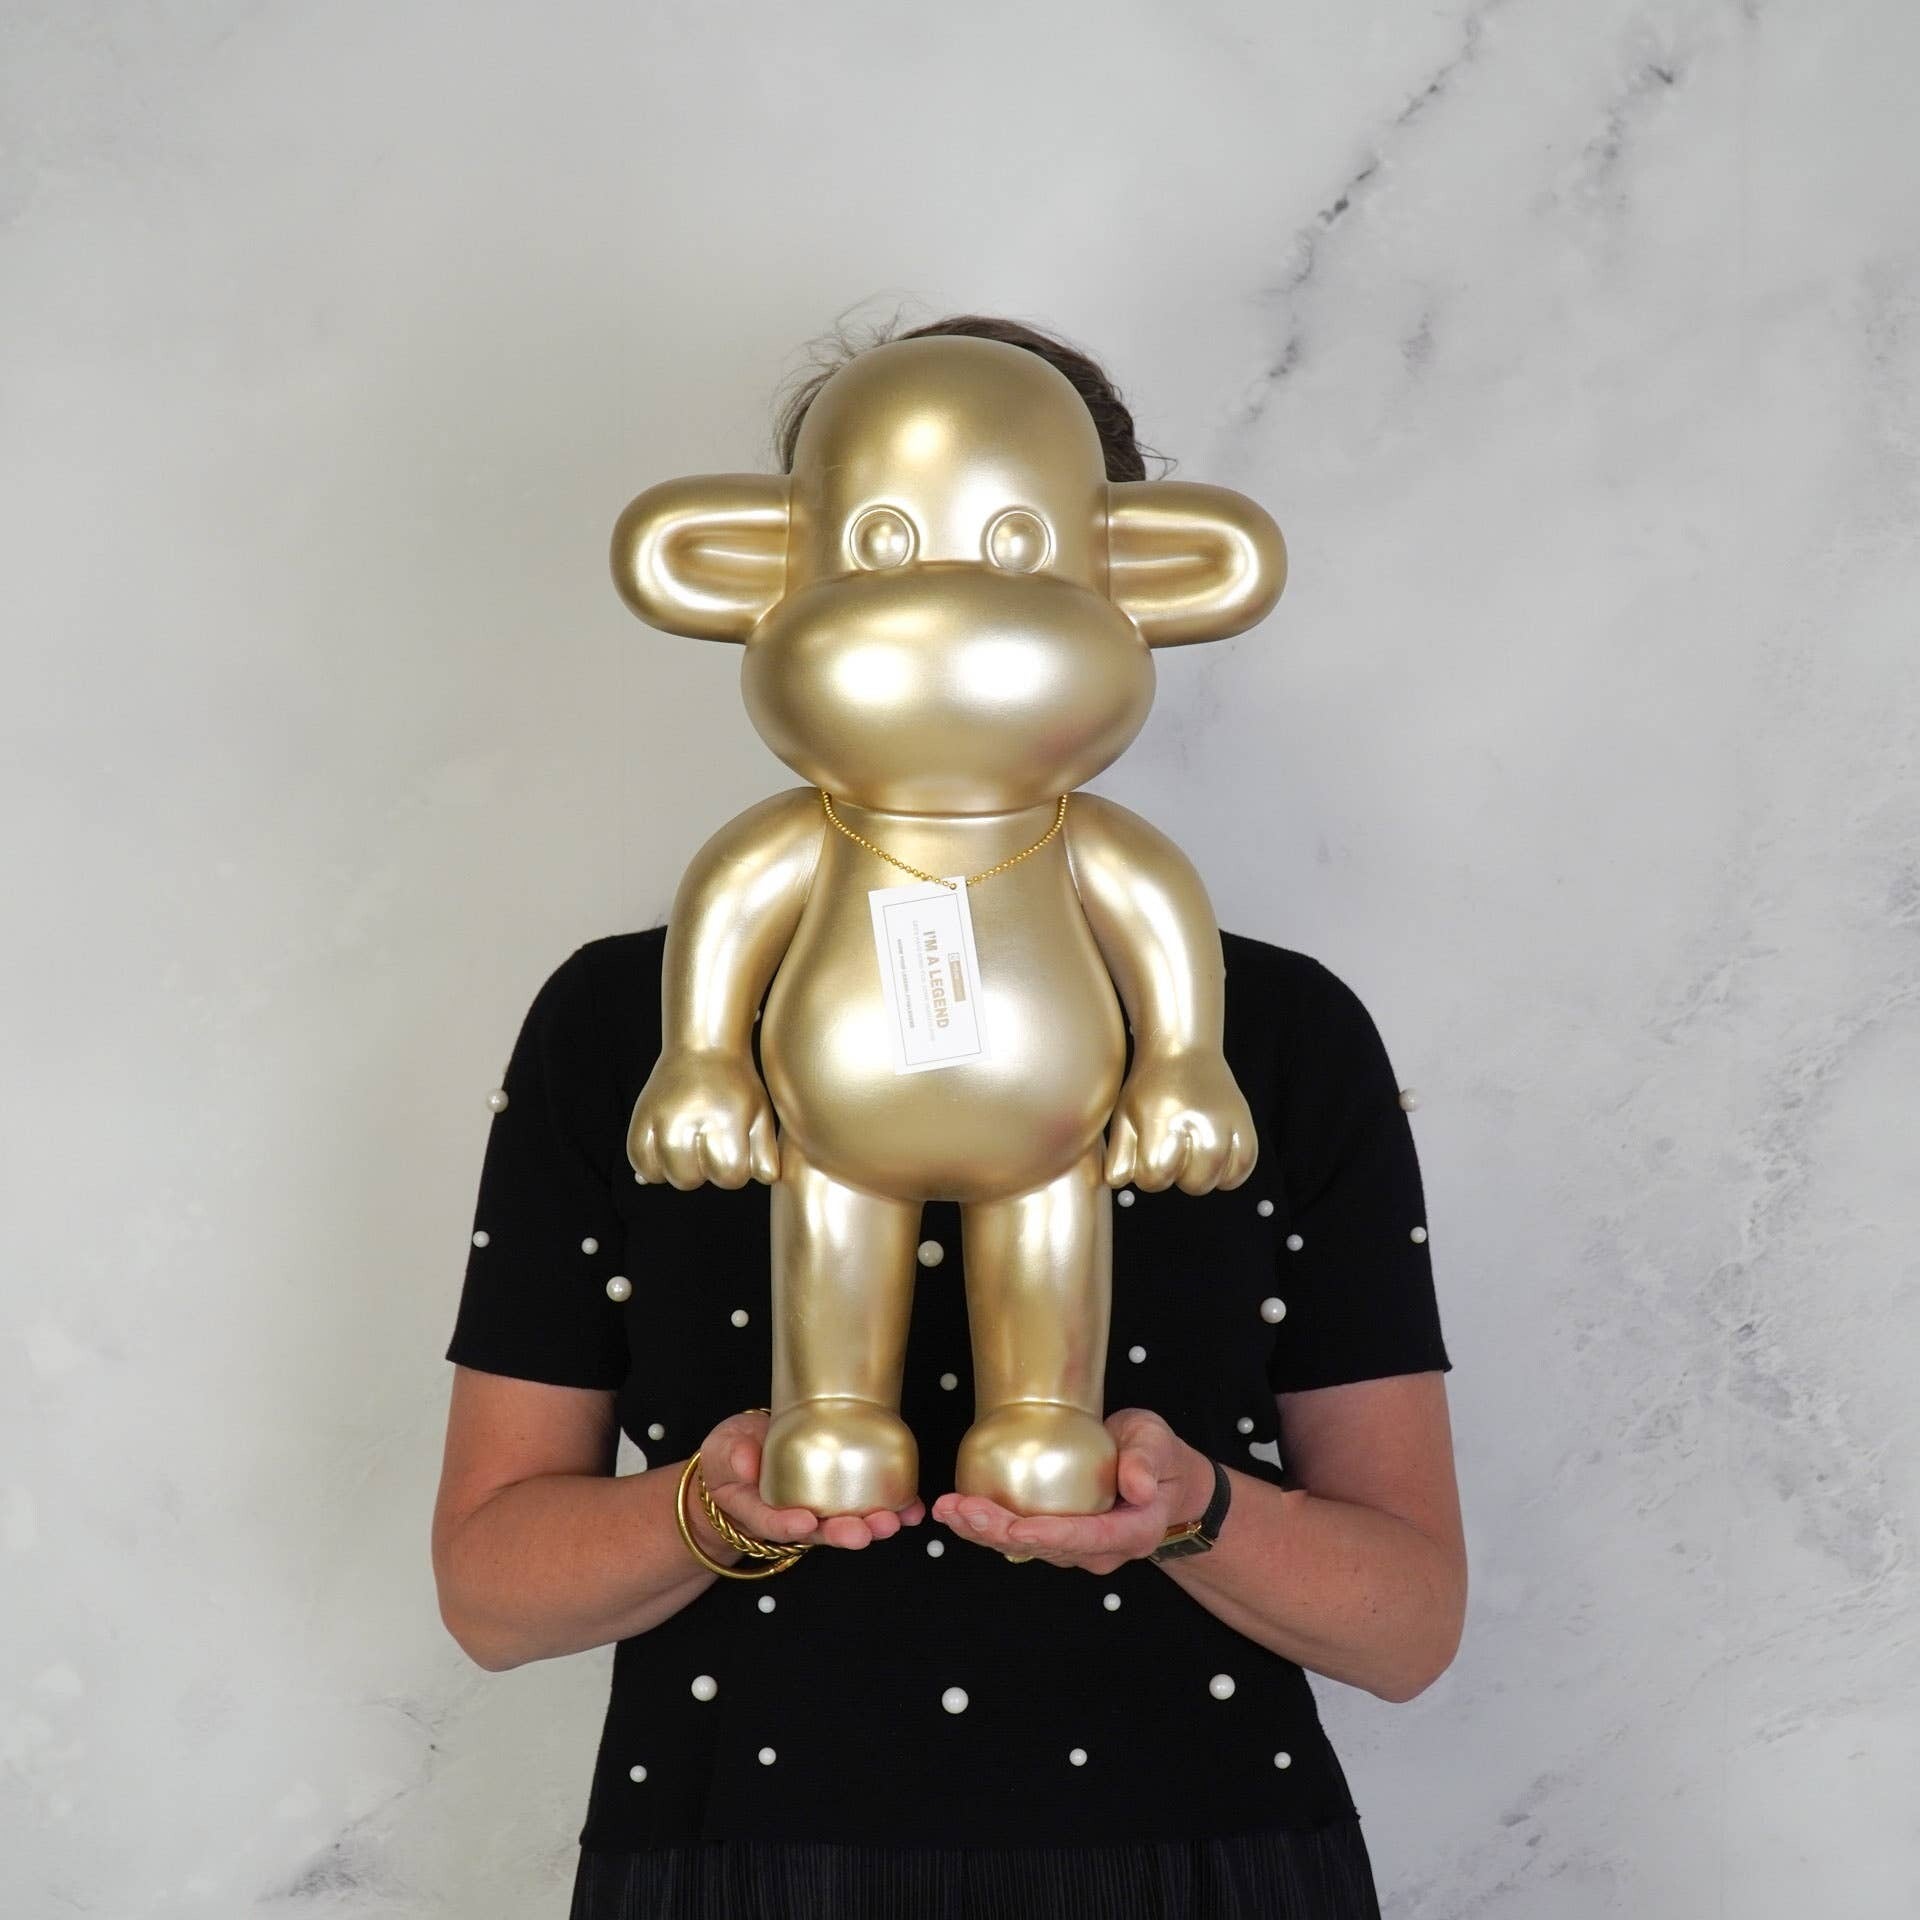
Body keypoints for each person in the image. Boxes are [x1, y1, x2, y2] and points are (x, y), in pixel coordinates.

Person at [430, 314, 1468, 1920]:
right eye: (885, 549)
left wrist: (1193, 1513)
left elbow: (1409, 1627)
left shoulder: (1279, 1037)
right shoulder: (614, 1032)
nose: (943, 610)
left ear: (1140, 584)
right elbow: (491, 1593)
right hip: (740, 1860)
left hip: (1195, 1864)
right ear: (764, 570)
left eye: (1011, 553)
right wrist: (712, 1506)